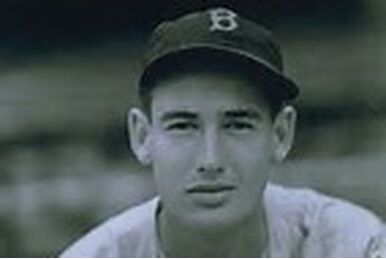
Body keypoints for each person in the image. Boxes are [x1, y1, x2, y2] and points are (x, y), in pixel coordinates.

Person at [60, 7, 385, 257]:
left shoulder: (350, 243)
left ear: (281, 134)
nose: (211, 160)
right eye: (183, 126)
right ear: (142, 137)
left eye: (238, 124)